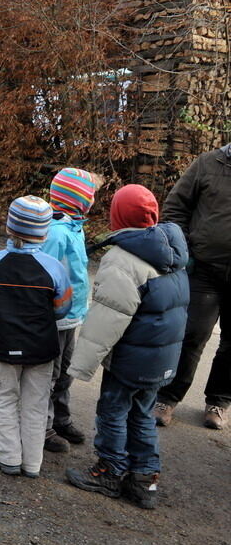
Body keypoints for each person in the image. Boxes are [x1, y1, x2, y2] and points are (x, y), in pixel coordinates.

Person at [65, 185, 189, 509]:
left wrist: (81, 365)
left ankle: (109, 470)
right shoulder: (173, 251)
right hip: (161, 357)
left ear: (117, 216)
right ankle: (144, 479)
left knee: (113, 411)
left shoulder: (122, 259)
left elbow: (108, 319)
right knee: (143, 413)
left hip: (131, 358)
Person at [0, 196, 71, 478]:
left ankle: (7, 456)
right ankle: (32, 463)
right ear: (44, 232)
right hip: (41, 346)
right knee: (36, 402)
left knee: (4, 399)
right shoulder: (54, 268)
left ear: (9, 227)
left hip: (3, 344)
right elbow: (62, 308)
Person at [154, 143, 231, 430]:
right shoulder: (208, 163)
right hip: (204, 269)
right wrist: (185, 250)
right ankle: (167, 397)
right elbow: (175, 207)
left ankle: (218, 402)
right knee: (191, 334)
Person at [40, 168, 98, 453]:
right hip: (56, 316)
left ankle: (61, 418)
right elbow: (46, 274)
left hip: (72, 315)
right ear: (78, 201)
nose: (93, 200)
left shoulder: (74, 226)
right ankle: (43, 426)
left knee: (66, 371)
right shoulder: (56, 232)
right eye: (91, 195)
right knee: (50, 374)